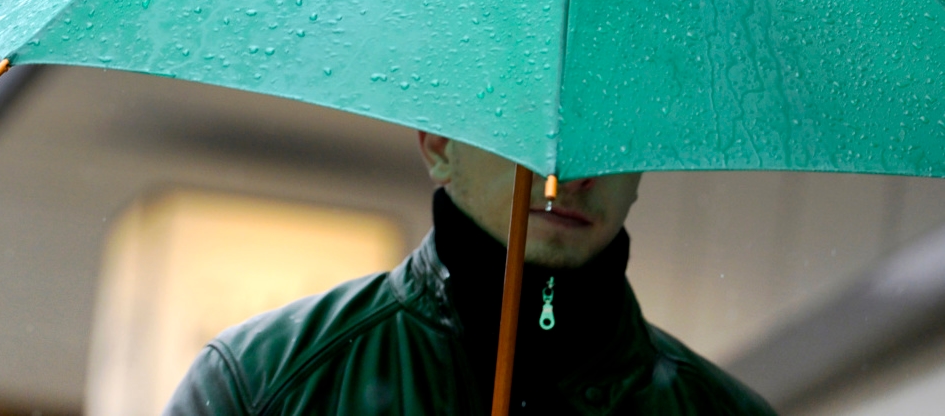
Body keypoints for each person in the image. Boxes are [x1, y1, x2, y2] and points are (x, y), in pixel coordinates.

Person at [163, 132, 777, 415]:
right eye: (529, 132)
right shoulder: (265, 384)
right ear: (438, 145)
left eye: (613, 134)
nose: (571, 171)